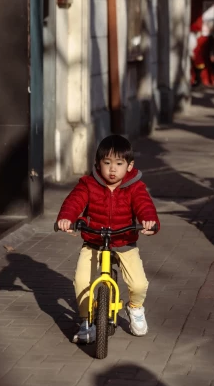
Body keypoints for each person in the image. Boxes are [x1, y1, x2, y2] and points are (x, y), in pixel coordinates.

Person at [56, 135, 160, 342]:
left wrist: (149, 220)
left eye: (119, 164)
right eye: (107, 163)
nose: (113, 169)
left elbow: (144, 205)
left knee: (139, 283)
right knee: (82, 280)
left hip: (124, 241)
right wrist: (67, 218)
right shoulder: (88, 184)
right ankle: (86, 321)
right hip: (94, 240)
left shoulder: (135, 187)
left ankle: (135, 308)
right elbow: (74, 202)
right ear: (97, 164)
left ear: (129, 166)